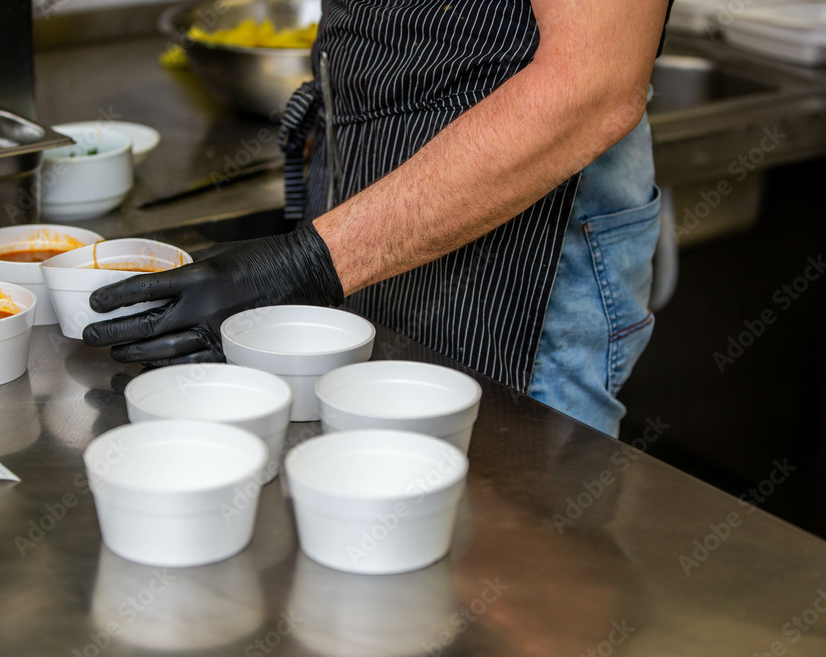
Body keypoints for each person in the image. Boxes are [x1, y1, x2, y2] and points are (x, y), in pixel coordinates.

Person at [83, 1, 675, 438]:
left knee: (521, 523)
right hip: (362, 215)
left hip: (532, 237)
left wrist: (306, 263)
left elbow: (593, 85)